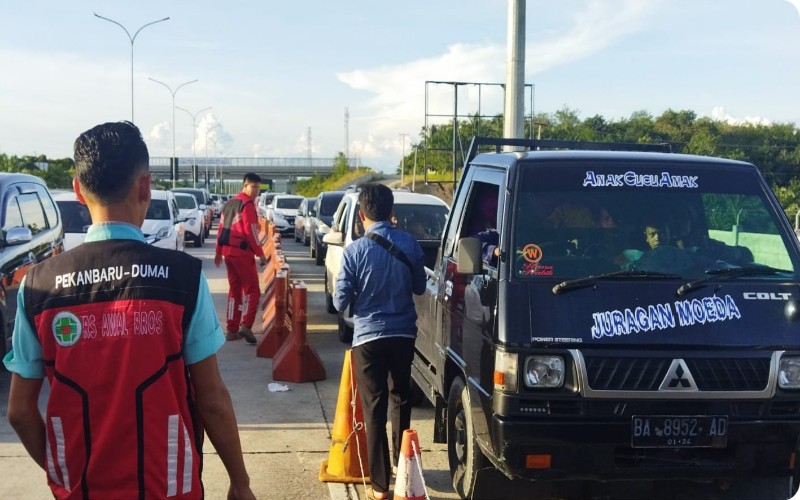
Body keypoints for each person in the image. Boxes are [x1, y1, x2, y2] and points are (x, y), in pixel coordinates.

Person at [3, 121, 254, 499]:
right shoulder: (181, 277)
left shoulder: (38, 285)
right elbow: (212, 400)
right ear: (144, 187)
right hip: (169, 489)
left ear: (78, 190)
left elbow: (20, 412)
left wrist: (64, 476)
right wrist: (240, 481)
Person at [333, 184, 426, 500]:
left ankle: (380, 486)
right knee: (401, 395)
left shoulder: (354, 250)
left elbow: (340, 300)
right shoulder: (409, 243)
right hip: (403, 333)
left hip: (368, 337)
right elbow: (419, 286)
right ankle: (403, 465)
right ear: (391, 212)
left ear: (361, 215)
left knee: (374, 407)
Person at [215, 173, 267, 343]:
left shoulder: (230, 203)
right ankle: (246, 325)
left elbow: (222, 228)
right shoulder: (247, 204)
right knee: (252, 290)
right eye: (253, 187)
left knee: (234, 291)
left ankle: (231, 329)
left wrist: (218, 251)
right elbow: (250, 231)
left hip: (229, 253)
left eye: (258, 188)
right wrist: (260, 253)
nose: (256, 191)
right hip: (242, 253)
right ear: (244, 186)